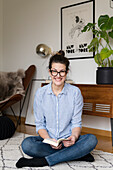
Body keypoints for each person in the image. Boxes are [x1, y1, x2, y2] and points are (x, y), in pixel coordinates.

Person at [16, 50, 98, 168]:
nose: (58, 76)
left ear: (67, 72)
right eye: (54, 71)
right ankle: (77, 154)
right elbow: (40, 125)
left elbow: (76, 123)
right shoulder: (41, 93)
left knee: (92, 140)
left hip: (69, 142)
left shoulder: (75, 92)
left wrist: (73, 138)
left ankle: (44, 161)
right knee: (27, 145)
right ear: (50, 71)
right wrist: (49, 140)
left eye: (61, 72)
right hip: (48, 141)